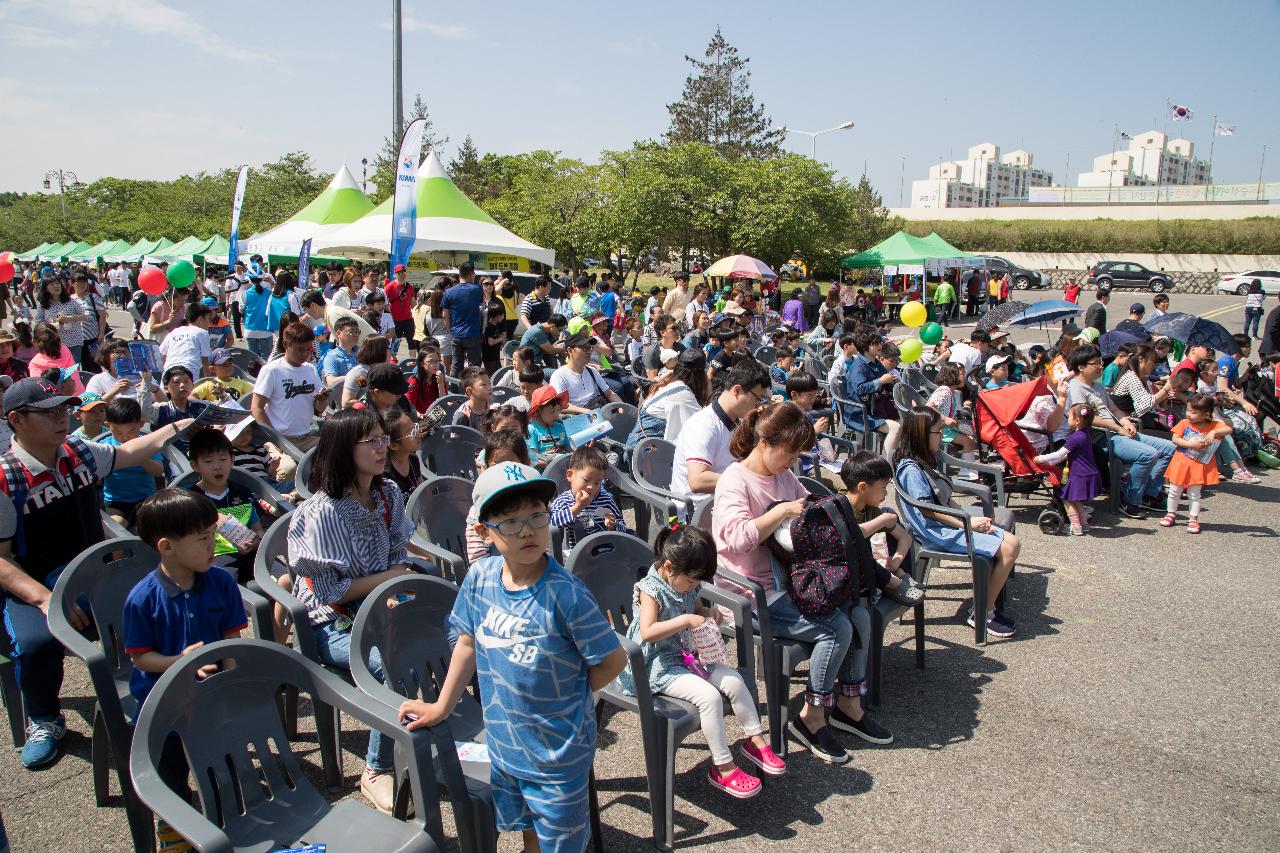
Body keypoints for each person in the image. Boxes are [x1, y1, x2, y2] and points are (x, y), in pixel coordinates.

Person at [396, 462, 626, 853]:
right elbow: (467, 644)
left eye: (536, 516)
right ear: (484, 531)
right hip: (504, 746)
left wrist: (567, 693)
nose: (526, 530)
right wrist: (441, 707)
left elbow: (612, 661)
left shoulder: (567, 595)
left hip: (557, 755)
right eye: (509, 521)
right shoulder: (479, 578)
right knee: (527, 830)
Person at [0, 378, 193, 769]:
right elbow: (2, 559)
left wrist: (179, 427)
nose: (62, 418)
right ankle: (45, 718)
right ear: (17, 421)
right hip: (31, 583)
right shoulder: (7, 479)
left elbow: (127, 453)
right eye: (49, 412)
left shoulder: (78, 452)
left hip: (93, 571)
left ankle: (160, 689)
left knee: (163, 604)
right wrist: (44, 598)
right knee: (37, 645)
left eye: (63, 410)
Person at [713, 402, 892, 764]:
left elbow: (807, 507)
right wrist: (780, 512)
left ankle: (848, 705)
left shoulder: (781, 475)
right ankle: (811, 717)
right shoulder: (734, 480)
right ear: (764, 442)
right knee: (836, 628)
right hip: (750, 591)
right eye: (789, 451)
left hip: (794, 579)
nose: (792, 460)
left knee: (858, 613)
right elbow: (732, 539)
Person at [287, 408, 419, 812]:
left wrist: (393, 584)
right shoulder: (324, 511)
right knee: (395, 662)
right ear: (344, 449)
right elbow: (329, 592)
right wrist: (387, 580)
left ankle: (435, 735)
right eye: (372, 441)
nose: (382, 448)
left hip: (382, 606)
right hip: (333, 624)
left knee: (453, 634)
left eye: (384, 439)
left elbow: (398, 555)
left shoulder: (388, 494)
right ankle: (376, 770)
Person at [616, 523, 783, 797]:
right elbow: (647, 632)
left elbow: (696, 608)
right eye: (692, 582)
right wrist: (685, 620)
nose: (693, 587)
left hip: (687, 655)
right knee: (710, 697)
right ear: (669, 567)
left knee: (734, 680)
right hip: (658, 665)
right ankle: (723, 766)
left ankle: (755, 740)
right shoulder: (650, 590)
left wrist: (708, 613)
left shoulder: (685, 582)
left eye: (697, 584)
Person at [122, 489, 247, 809]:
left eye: (214, 535)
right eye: (203, 539)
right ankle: (175, 827)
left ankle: (227, 815)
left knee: (227, 770)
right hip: (163, 705)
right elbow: (141, 659)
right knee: (170, 778)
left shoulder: (221, 582)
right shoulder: (142, 598)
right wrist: (181, 662)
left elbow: (231, 640)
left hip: (212, 700)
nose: (214, 545)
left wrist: (231, 682)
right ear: (167, 547)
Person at [893, 407, 1019, 638]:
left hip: (947, 524)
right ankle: (982, 612)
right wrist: (967, 524)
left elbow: (945, 498)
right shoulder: (911, 469)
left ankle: (986, 604)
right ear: (921, 435)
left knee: (1010, 542)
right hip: (936, 532)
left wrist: (970, 518)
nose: (942, 436)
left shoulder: (922, 460)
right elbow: (928, 510)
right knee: (1010, 547)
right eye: (938, 432)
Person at [1065, 345, 1176, 519]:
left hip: (1118, 432)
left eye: (1101, 362)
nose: (1101, 366)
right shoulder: (1076, 387)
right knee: (1149, 454)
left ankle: (1148, 494)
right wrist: (1118, 427)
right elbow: (1083, 418)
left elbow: (1114, 409)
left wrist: (1125, 422)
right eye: (1096, 363)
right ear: (1081, 366)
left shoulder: (1097, 386)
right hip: (1101, 437)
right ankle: (1129, 500)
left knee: (1170, 448)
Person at [671, 358, 772, 515]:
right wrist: (748, 479)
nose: (758, 405)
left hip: (723, 501)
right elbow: (697, 480)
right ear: (737, 390)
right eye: (758, 398)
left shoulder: (734, 421)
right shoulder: (704, 426)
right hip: (699, 513)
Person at [185, 428, 263, 583]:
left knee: (286, 579)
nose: (217, 466)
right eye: (208, 461)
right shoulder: (191, 499)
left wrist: (256, 541)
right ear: (195, 466)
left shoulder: (242, 492)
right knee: (224, 584)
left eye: (222, 459)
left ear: (232, 460)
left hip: (252, 555)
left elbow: (259, 529)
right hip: (216, 557)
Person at [1161, 394, 1233, 534]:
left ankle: (1193, 519)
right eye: (1188, 410)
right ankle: (1170, 513)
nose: (1188, 414)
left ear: (1206, 413)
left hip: (1198, 465)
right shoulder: (1184, 423)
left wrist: (1213, 432)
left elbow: (1228, 429)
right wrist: (1190, 444)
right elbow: (1175, 439)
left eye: (1193, 412)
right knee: (1174, 490)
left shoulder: (1213, 425)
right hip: (1181, 461)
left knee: (1194, 493)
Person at [1033, 403, 1103, 536]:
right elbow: (1066, 455)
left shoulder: (1075, 438)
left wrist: (1041, 459)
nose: (1067, 419)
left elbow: (1060, 454)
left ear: (1077, 421)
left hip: (1079, 474)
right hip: (1086, 472)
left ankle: (1075, 527)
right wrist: (1051, 462)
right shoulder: (1085, 434)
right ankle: (1084, 525)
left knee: (1067, 499)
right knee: (1075, 500)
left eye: (1069, 416)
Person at [548, 444, 631, 552]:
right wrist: (577, 508)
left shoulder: (606, 499)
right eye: (586, 480)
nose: (591, 487)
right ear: (570, 475)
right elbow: (551, 524)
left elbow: (623, 528)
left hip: (606, 551)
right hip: (577, 556)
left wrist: (613, 526)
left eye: (597, 483)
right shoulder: (563, 501)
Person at [251, 322, 320, 452]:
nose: (305, 354)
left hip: (307, 435)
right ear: (285, 345)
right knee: (288, 469)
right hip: (280, 438)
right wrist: (274, 438)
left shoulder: (311, 369)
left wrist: (322, 400)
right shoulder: (271, 370)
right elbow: (256, 408)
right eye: (300, 349)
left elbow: (319, 408)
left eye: (308, 349)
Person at [629, 350, 710, 448]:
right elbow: (701, 427)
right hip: (645, 451)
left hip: (640, 444)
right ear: (700, 375)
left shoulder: (671, 383)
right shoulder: (683, 394)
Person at [841, 328, 901, 460]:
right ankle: (887, 464)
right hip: (859, 414)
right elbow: (860, 388)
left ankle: (898, 458)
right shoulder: (859, 366)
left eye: (879, 342)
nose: (879, 346)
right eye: (875, 343)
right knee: (895, 428)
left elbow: (883, 382)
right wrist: (881, 380)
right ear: (865, 346)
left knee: (906, 422)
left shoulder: (876, 362)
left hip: (875, 408)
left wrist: (890, 381)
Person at [550, 333, 622, 414]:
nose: (589, 352)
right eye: (584, 348)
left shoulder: (592, 371)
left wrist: (621, 406)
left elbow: (609, 393)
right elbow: (561, 405)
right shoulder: (559, 376)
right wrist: (587, 412)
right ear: (570, 350)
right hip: (578, 418)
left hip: (598, 411)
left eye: (590, 348)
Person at [926, 363, 978, 470]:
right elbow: (929, 407)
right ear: (952, 376)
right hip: (939, 430)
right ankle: (967, 471)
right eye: (963, 374)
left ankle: (969, 468)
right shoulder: (944, 391)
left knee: (971, 435)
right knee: (967, 440)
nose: (965, 377)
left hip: (946, 428)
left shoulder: (951, 392)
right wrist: (945, 418)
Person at [441, 262, 484, 377]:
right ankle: (474, 390)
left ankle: (454, 391)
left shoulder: (449, 292)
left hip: (456, 334)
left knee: (456, 364)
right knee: (474, 366)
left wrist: (451, 330)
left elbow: (444, 315)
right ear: (471, 274)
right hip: (473, 334)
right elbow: (481, 305)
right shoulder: (477, 290)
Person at [34, 274, 89, 363]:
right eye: (51, 284)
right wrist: (49, 326)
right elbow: (39, 321)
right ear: (46, 289)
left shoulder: (71, 301)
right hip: (53, 342)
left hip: (73, 341)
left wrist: (71, 318)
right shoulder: (43, 304)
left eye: (57, 283)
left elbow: (86, 316)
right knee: (57, 369)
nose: (56, 286)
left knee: (73, 368)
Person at [159, 302, 213, 378]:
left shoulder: (174, 331)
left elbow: (161, 354)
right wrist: (208, 381)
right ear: (200, 319)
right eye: (208, 319)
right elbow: (205, 361)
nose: (209, 323)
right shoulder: (202, 333)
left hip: (169, 374)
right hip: (189, 374)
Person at [382, 409, 424, 498]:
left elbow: (423, 490)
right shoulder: (385, 475)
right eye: (412, 432)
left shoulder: (413, 459)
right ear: (393, 445)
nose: (417, 433)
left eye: (415, 427)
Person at [525, 386, 570, 464]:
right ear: (538, 410)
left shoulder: (560, 427)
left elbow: (569, 450)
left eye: (558, 410)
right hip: (545, 473)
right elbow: (533, 460)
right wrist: (554, 464)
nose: (556, 415)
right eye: (552, 411)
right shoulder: (532, 430)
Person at [405, 344, 449, 415]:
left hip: (435, 416)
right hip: (418, 419)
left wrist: (440, 383)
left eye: (437, 361)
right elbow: (408, 406)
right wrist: (420, 416)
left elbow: (443, 402)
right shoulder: (414, 381)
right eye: (431, 361)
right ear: (422, 364)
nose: (435, 364)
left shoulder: (439, 378)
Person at [239, 274, 275, 360]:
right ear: (261, 279)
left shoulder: (244, 293)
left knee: (252, 358)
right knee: (267, 358)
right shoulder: (270, 293)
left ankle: (253, 373)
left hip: (250, 329)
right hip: (266, 330)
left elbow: (241, 311)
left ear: (250, 280)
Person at [384, 264, 417, 351]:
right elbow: (384, 302)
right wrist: (389, 312)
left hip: (408, 318)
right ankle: (393, 359)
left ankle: (413, 360)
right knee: (396, 340)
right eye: (399, 272)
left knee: (411, 340)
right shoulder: (389, 287)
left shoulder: (410, 287)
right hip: (395, 319)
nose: (402, 274)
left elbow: (413, 303)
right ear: (395, 274)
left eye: (404, 272)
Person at [454, 366, 493, 430]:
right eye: (483, 385)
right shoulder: (462, 416)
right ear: (470, 391)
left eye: (489, 383)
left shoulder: (493, 407)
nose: (489, 388)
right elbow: (457, 439)